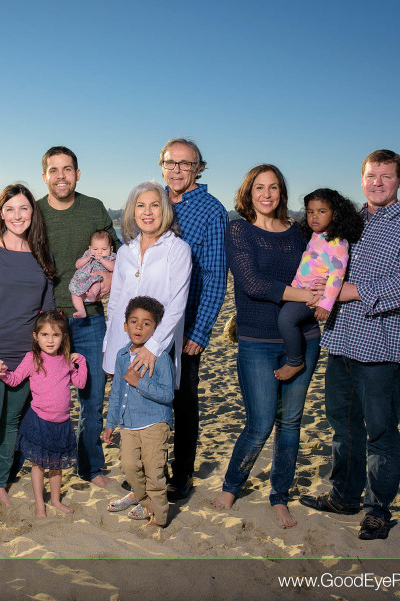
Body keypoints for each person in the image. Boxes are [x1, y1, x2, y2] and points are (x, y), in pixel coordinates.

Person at [299, 150, 400, 541]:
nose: (377, 182)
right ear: (361, 179)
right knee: (342, 427)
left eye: (386, 176)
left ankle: (377, 510)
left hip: (383, 346)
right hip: (342, 340)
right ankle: (343, 495)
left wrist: (351, 291)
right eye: (371, 175)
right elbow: (322, 259)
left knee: (380, 432)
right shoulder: (350, 221)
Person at [210, 164, 321, 529]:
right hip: (256, 341)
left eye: (274, 187)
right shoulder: (238, 229)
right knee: (259, 423)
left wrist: (321, 294)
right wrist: (303, 294)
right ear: (249, 192)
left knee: (290, 423)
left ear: (281, 192)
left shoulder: (298, 232)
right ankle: (231, 486)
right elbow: (253, 283)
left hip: (303, 338)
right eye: (260, 187)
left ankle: (279, 496)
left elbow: (320, 266)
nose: (267, 194)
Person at [0, 183, 56, 513]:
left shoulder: (41, 256)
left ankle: (1, 483)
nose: (17, 216)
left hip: (26, 356)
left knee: (11, 424)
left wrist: (46, 355)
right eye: (10, 209)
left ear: (33, 213)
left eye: (24, 209)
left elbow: (48, 311)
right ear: (1, 214)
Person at [35, 146, 121, 488]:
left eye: (67, 169)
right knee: (39, 399)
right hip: (46, 318)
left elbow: (118, 254)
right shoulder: (35, 211)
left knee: (92, 396)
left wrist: (111, 280)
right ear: (45, 176)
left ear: (77, 174)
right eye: (53, 170)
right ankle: (36, 464)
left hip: (90, 318)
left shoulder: (94, 208)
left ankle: (91, 467)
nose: (61, 176)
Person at [158, 138, 228, 501]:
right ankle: (152, 471)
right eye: (172, 163)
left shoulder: (212, 211)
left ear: (198, 168)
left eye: (187, 164)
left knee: (183, 400)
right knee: (149, 398)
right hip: (149, 324)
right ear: (162, 164)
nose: (178, 170)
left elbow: (216, 277)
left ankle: (181, 474)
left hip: (186, 325)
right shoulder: (153, 201)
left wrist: (200, 332)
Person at [102, 181, 191, 385]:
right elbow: (114, 303)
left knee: (148, 411)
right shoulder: (125, 251)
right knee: (120, 409)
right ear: (133, 212)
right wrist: (108, 342)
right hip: (119, 341)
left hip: (154, 345)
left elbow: (177, 305)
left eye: (155, 205)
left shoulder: (178, 250)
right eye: (141, 205)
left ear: (165, 210)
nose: (147, 212)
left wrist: (152, 346)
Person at [0, 311, 86, 517]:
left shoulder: (67, 359)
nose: (50, 340)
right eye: (45, 335)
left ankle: (55, 500)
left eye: (55, 335)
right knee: (38, 465)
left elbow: (80, 383)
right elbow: (14, 379)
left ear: (63, 337)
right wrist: (1, 371)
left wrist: (81, 362)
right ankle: (40, 503)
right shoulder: (32, 358)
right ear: (35, 336)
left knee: (56, 466)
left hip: (63, 423)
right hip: (40, 420)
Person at [273, 188, 363, 381]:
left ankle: (295, 361)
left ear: (335, 214)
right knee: (280, 313)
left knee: (286, 319)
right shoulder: (315, 236)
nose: (315, 217)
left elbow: (337, 276)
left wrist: (325, 304)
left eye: (322, 211)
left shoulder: (337, 242)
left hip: (315, 296)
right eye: (311, 212)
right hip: (300, 291)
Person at [103, 296, 175, 528]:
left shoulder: (161, 357)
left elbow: (168, 395)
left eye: (146, 323)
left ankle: (160, 519)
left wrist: (139, 383)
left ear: (155, 328)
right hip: (128, 425)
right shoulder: (122, 356)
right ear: (125, 325)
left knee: (154, 474)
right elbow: (116, 392)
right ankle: (145, 503)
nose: (139, 327)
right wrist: (110, 422)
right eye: (134, 321)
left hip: (154, 423)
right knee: (130, 468)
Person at [69, 230, 116, 318]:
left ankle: (93, 295)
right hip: (82, 279)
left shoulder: (111, 257)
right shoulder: (87, 254)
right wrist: (87, 258)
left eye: (104, 249)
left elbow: (114, 267)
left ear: (111, 249)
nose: (99, 252)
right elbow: (77, 264)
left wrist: (102, 260)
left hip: (96, 277)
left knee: (96, 281)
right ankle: (81, 310)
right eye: (95, 249)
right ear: (90, 248)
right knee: (74, 292)